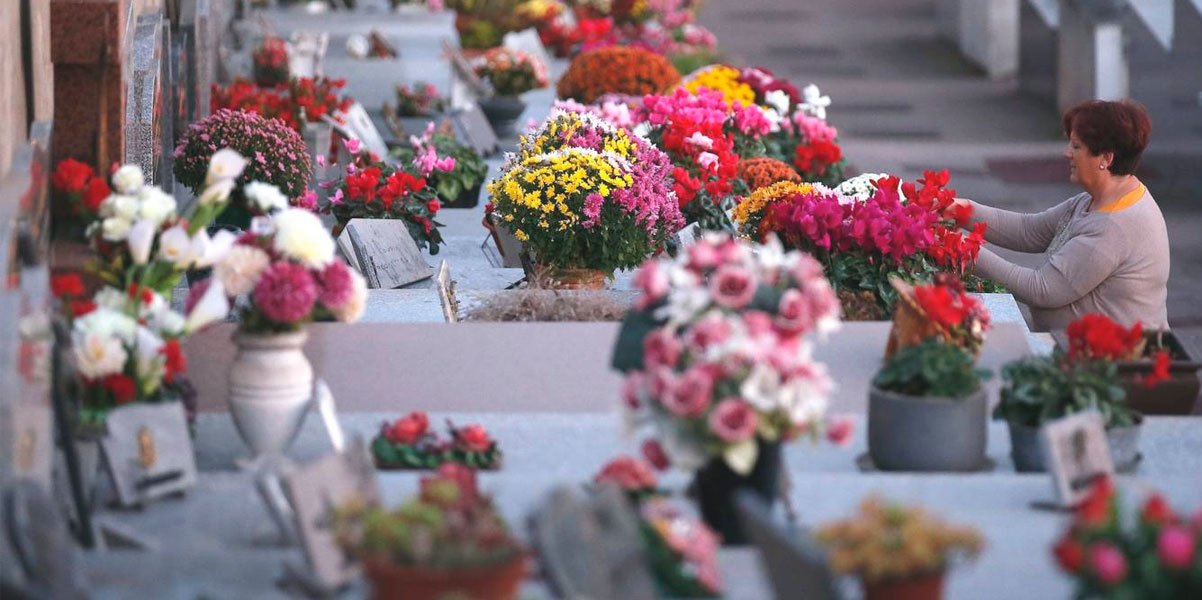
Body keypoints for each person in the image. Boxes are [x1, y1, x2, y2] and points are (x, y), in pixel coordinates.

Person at [955, 99, 1169, 332]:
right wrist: (960, 210)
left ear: (1106, 159)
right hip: (1078, 354)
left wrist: (961, 249)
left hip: (1115, 364)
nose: (1067, 153)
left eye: (1076, 147)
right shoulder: (1095, 200)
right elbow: (1029, 231)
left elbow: (1042, 289)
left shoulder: (1114, 226)